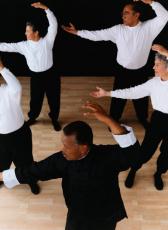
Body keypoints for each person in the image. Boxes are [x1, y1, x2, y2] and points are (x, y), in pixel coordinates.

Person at [0, 101, 141, 230]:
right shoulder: (63, 159)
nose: (63, 149)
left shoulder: (107, 157)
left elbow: (133, 155)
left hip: (105, 216)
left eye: (67, 146)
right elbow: (36, 170)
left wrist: (108, 120)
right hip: (77, 216)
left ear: (83, 148)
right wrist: (2, 175)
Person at [62, 0, 168, 129]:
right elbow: (97, 35)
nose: (123, 16)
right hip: (122, 70)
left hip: (140, 70)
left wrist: (151, 2)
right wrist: (77, 32)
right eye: (123, 13)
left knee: (141, 97)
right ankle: (113, 119)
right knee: (117, 97)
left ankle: (142, 119)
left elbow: (164, 16)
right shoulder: (118, 30)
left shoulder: (149, 28)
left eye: (126, 13)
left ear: (137, 15)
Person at [91, 51, 168, 190]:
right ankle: (134, 170)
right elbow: (132, 92)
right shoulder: (153, 83)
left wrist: (165, 51)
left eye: (157, 65)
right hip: (158, 121)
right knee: (145, 152)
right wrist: (107, 93)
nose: (153, 67)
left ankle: (158, 173)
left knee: (167, 155)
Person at [0, 2, 61, 131]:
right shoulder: (24, 45)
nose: (25, 33)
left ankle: (54, 119)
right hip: (36, 76)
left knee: (54, 98)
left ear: (36, 32)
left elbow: (54, 25)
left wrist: (46, 9)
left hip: (51, 74)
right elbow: (7, 46)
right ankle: (33, 117)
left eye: (28, 31)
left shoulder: (47, 41)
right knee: (35, 100)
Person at [0, 57, 39, 194]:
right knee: (1, 162)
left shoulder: (9, 91)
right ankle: (1, 179)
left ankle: (31, 180)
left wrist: (2, 68)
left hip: (19, 135)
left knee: (25, 161)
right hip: (1, 138)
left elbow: (17, 86)